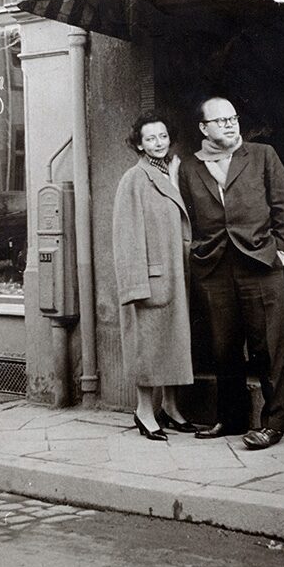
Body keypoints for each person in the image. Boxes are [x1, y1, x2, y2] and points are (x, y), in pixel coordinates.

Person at [179, 96, 284, 450]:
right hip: (213, 266)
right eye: (220, 120)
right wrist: (196, 252)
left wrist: (278, 249)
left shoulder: (262, 155)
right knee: (223, 345)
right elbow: (187, 214)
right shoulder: (190, 167)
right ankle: (230, 418)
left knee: (268, 347)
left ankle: (273, 423)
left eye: (233, 118)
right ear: (204, 128)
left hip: (259, 262)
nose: (230, 125)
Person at [112, 113, 197, 441]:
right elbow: (126, 236)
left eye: (162, 137)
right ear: (138, 143)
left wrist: (174, 180)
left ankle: (172, 408)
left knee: (173, 346)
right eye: (150, 139)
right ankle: (144, 411)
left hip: (175, 276)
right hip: (150, 279)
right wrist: (135, 285)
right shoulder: (134, 178)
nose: (158, 143)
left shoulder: (168, 172)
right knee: (148, 349)